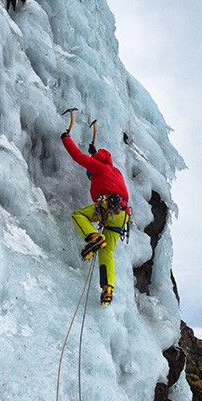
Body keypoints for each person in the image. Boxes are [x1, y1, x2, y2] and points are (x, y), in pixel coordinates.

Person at [60, 126, 130, 306]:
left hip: (108, 206)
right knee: (107, 251)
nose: (90, 179)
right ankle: (107, 289)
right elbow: (104, 162)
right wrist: (94, 152)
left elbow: (77, 156)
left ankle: (93, 238)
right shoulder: (115, 172)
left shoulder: (98, 169)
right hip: (122, 216)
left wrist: (66, 138)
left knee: (78, 215)